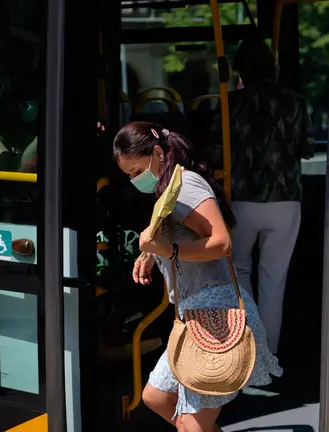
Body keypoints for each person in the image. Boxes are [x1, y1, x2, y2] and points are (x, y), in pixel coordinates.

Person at [114, 121, 282, 432]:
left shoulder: (185, 187)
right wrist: (154, 252)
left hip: (215, 315)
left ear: (157, 153)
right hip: (195, 313)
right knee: (156, 397)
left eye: (137, 171)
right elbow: (179, 236)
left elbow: (221, 242)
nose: (134, 181)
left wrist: (170, 250)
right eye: (129, 176)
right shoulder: (170, 187)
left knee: (190, 425)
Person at [208, 38, 314, 356]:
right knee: (273, 281)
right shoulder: (295, 103)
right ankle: (267, 355)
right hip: (286, 200)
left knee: (238, 273)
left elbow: (214, 151)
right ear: (275, 68)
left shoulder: (230, 104)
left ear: (238, 69)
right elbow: (306, 149)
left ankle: (244, 352)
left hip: (240, 199)